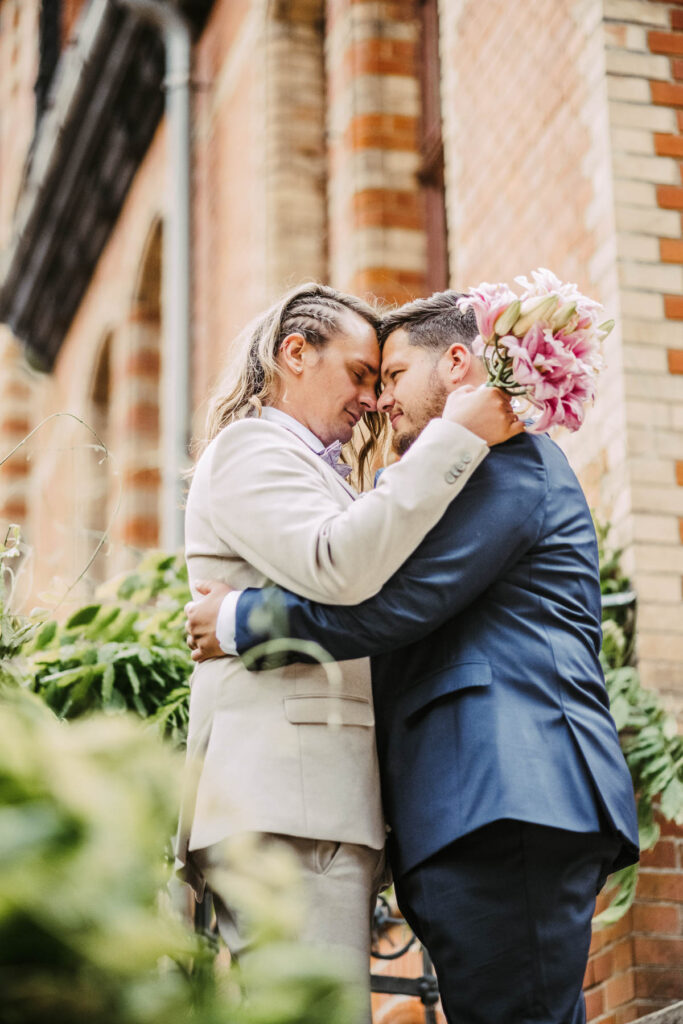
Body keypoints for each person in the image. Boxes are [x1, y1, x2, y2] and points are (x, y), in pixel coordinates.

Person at [187, 291, 640, 1024]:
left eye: (388, 375)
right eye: (365, 376)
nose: (376, 401)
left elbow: (397, 604)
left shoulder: (507, 463)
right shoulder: (281, 454)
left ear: (457, 362)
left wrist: (244, 618)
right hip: (468, 806)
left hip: (507, 793)